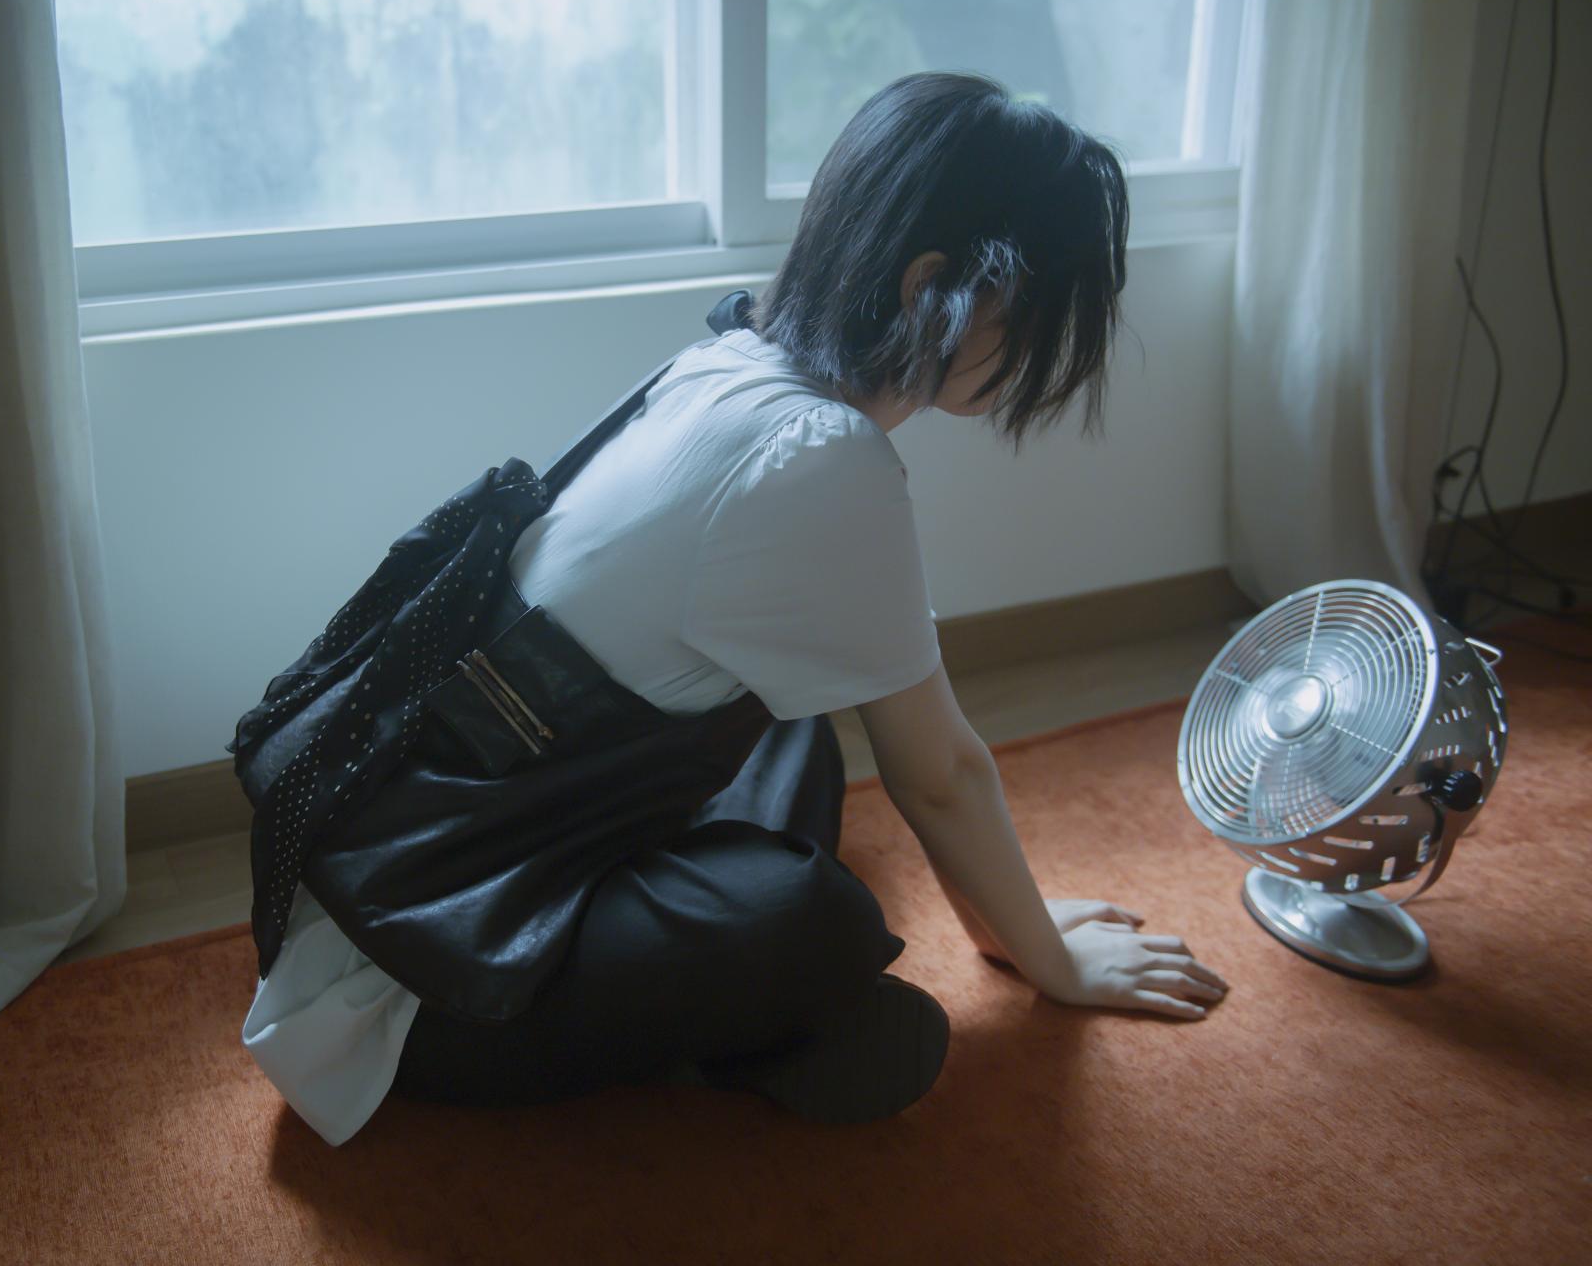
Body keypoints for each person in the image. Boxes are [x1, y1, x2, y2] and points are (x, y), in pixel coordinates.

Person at [241, 71, 1229, 1147]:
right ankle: (757, 1029)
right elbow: (939, 772)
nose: (1040, 347)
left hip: (457, 837)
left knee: (797, 716)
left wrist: (1005, 929)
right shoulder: (826, 459)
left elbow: (914, 742)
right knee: (816, 920)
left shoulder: (727, 361)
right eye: (1033, 311)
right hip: (423, 977)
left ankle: (754, 1021)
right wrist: (1050, 957)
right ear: (930, 286)